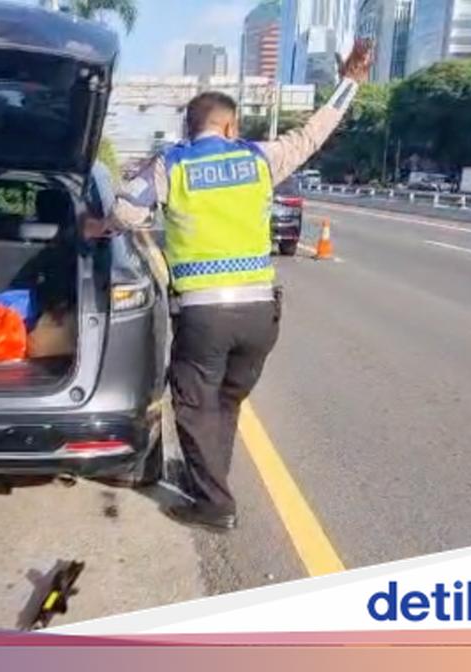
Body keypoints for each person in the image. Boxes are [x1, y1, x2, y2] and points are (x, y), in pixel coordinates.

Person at [90, 40, 374, 531]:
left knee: (195, 404)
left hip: (204, 315)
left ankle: (215, 504)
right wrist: (349, 83)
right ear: (230, 126)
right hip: (261, 315)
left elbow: (124, 212)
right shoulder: (261, 158)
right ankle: (212, 477)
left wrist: (98, 227)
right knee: (225, 402)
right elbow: (314, 134)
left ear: (190, 127)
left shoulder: (172, 164)